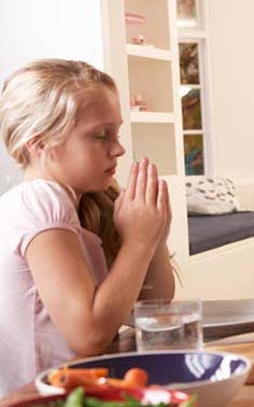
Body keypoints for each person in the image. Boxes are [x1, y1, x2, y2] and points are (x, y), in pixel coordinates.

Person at [0, 59, 174, 396]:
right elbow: (90, 334)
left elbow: (151, 305)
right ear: (39, 143)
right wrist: (138, 243)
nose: (119, 148)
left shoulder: (83, 203)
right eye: (100, 135)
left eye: (117, 132)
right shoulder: (38, 201)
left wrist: (154, 236)